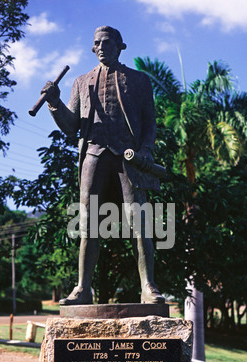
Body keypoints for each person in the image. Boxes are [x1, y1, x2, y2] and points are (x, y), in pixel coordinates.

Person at [42, 26, 165, 305]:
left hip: (128, 157)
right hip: (93, 157)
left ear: (121, 46)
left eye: (107, 42)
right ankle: (83, 288)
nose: (101, 47)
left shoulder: (139, 80)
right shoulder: (80, 81)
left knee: (139, 223)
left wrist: (146, 149)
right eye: (97, 43)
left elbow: (150, 122)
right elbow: (71, 127)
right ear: (92, 48)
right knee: (89, 224)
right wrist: (54, 103)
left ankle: (148, 286)